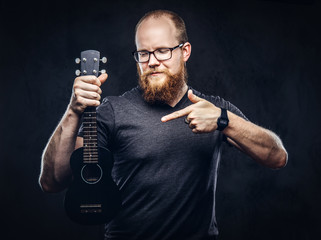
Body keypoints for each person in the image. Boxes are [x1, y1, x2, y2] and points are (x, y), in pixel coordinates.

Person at [39, 9, 288, 240]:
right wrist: (73, 111)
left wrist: (224, 120)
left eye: (162, 51)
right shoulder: (112, 111)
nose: (153, 61)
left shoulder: (212, 108)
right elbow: (52, 181)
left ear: (185, 51)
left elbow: (276, 157)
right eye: (143, 53)